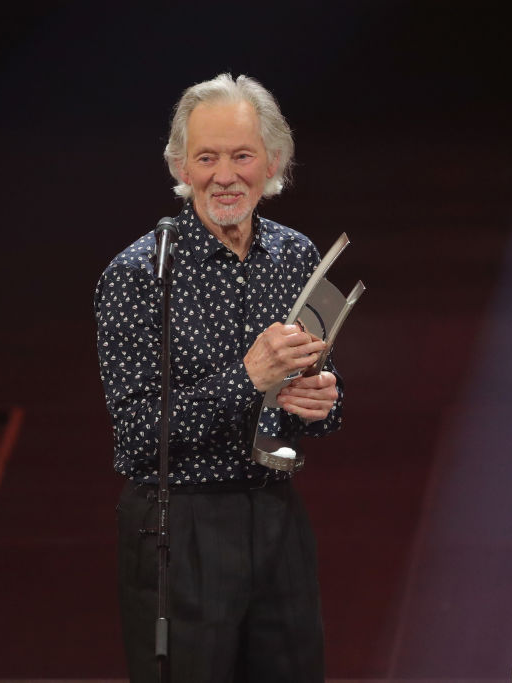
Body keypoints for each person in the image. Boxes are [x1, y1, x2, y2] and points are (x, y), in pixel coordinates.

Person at [94, 73, 342, 683]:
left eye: (242, 156)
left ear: (272, 163)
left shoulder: (295, 255)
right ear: (180, 165)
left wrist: (323, 401)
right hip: (179, 525)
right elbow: (136, 435)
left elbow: (319, 393)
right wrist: (247, 377)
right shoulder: (138, 274)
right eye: (206, 158)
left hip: (277, 515)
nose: (224, 176)